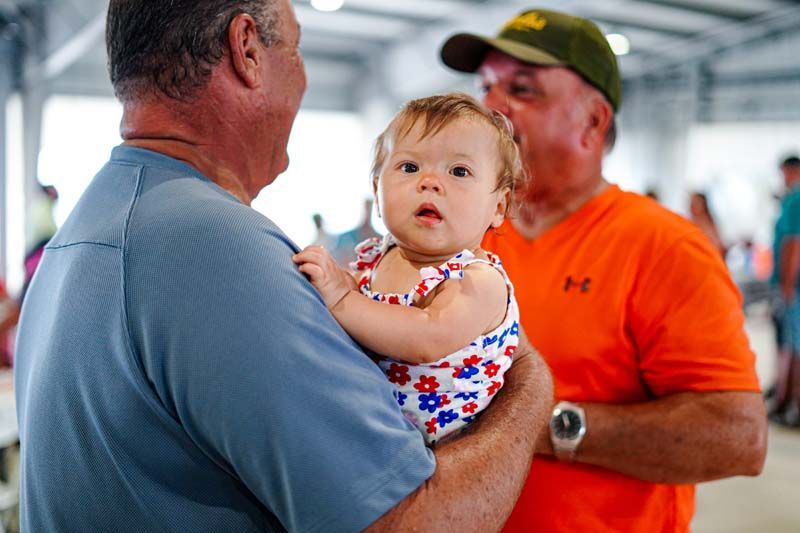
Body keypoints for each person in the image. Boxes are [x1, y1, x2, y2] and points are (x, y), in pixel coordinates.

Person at [14, 1, 553, 531]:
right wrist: (529, 388)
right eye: (295, 49)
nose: (304, 79)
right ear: (246, 49)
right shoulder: (213, 247)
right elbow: (415, 521)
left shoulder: (87, 227)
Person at [441, 7, 767, 532]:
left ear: (593, 123)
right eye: (486, 87)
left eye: (522, 90)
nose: (489, 108)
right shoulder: (459, 233)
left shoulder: (662, 246)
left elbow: (735, 437)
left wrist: (528, 426)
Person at [294, 93, 524, 444]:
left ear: (498, 205)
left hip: (442, 450)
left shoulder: (478, 280)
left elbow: (426, 339)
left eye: (459, 171)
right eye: (410, 167)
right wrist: (342, 282)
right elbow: (367, 315)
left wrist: (342, 298)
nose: (429, 182)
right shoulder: (378, 257)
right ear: (377, 189)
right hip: (373, 425)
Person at [769, 155, 800, 426]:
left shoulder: (795, 199)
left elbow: (793, 244)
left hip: (794, 286)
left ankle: (789, 403)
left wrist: (786, 287)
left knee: (791, 347)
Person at [332, 198, 380, 264]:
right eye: (366, 208)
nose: (367, 212)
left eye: (369, 209)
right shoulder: (345, 237)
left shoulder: (379, 239)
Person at [689, 191, 727, 257]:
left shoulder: (709, 222)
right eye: (692, 202)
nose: (693, 205)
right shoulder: (688, 223)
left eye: (696, 202)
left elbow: (719, 244)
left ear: (703, 204)